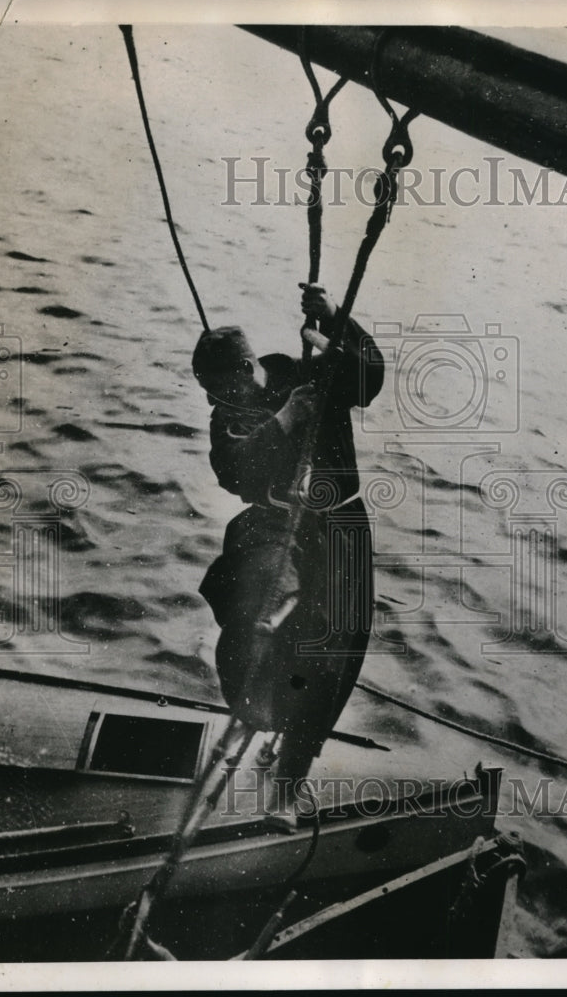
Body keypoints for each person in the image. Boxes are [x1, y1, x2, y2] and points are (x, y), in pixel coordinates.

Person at [193, 283, 384, 827]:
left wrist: (337, 321)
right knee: (259, 614)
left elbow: (368, 381)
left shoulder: (305, 372)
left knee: (333, 647)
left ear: (249, 365)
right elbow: (233, 471)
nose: (213, 400)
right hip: (274, 524)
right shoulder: (228, 413)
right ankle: (257, 710)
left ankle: (291, 776)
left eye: (218, 386)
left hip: (338, 527)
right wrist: (283, 425)